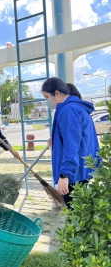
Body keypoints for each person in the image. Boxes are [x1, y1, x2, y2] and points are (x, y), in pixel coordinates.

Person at [41, 77, 100, 209]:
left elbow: (71, 145)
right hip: (81, 168)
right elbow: (77, 137)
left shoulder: (69, 110)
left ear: (56, 93)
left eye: (46, 97)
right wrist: (56, 139)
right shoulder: (75, 107)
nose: (47, 102)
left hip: (74, 173)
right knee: (79, 211)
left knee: (75, 213)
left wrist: (64, 175)